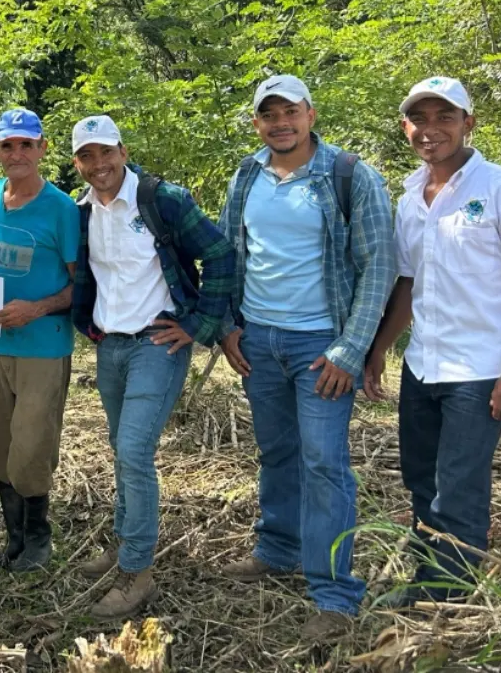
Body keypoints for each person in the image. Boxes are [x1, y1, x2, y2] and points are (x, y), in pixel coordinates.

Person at [217, 76, 396, 642]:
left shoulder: (351, 175)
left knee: (324, 464)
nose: (279, 123)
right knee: (276, 451)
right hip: (259, 341)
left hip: (321, 347)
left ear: (310, 114)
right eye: (268, 114)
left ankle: (334, 593)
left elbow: (379, 268)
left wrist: (351, 348)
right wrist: (226, 328)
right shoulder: (247, 175)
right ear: (256, 123)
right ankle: (277, 547)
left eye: (289, 111)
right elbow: (226, 252)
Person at [364, 77, 501, 607]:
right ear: (406, 128)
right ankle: (432, 575)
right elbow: (409, 283)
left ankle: (448, 597)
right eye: (419, 119)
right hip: (423, 363)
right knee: (421, 476)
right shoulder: (408, 199)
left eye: (444, 117)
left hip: (482, 367)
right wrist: (380, 348)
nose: (431, 130)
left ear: (468, 123)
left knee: (458, 484)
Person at [69, 115, 230, 618]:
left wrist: (200, 324)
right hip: (110, 347)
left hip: (157, 344)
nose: (99, 165)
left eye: (106, 153)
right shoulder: (81, 213)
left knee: (135, 450)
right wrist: (87, 323)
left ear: (123, 149)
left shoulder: (163, 201)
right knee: (121, 448)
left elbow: (221, 253)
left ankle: (138, 572)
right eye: (87, 156)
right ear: (77, 163)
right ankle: (123, 539)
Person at [0, 108, 80, 573]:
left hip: (43, 346)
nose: (16, 153)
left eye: (26, 144)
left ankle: (40, 539)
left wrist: (36, 308)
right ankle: (14, 539)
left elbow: (84, 287)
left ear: (42, 148)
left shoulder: (61, 208)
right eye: (7, 145)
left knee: (32, 447)